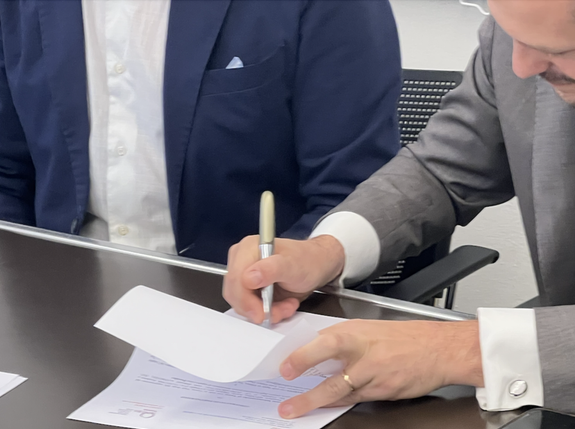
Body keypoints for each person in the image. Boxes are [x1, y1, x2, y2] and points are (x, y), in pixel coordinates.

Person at [225, 0, 575, 418]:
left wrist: (463, 349)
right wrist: (328, 251)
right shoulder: (514, 39)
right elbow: (442, 170)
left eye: (560, 50)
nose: (521, 66)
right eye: (512, 36)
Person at [0, 0, 401, 265]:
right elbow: (7, 173)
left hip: (247, 306)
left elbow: (355, 195)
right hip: (61, 298)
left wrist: (286, 275)